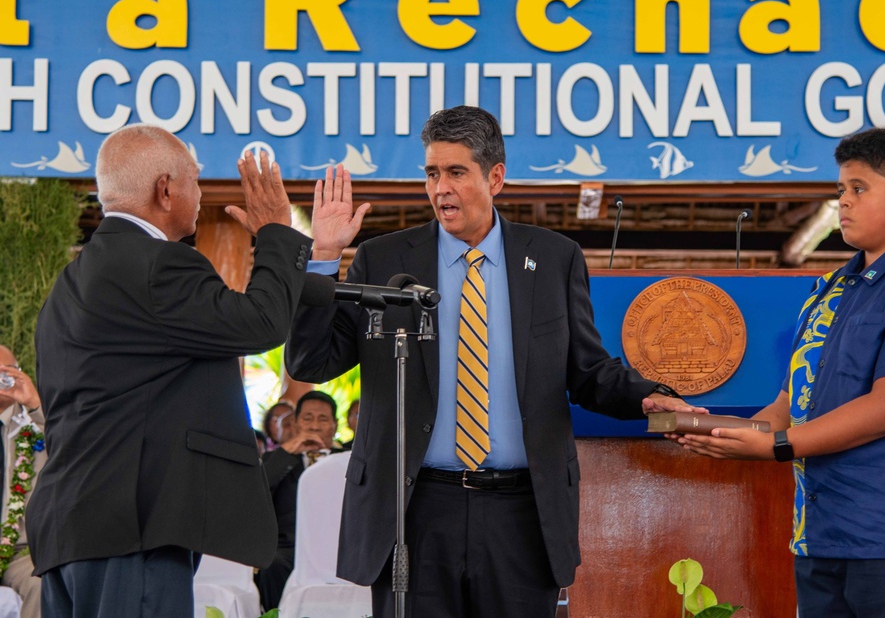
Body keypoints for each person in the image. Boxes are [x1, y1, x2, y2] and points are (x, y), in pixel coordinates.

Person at [285, 105, 702, 617]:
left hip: (522, 514)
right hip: (414, 511)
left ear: (495, 177)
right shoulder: (385, 259)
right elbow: (311, 360)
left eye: (456, 173)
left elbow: (588, 371)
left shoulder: (554, 258)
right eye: (432, 173)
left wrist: (646, 395)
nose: (441, 189)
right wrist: (324, 256)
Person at [677, 127, 885, 618]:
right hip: (823, 535)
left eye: (859, 189)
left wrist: (777, 446)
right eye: (841, 189)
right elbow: (788, 405)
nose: (843, 201)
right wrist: (708, 428)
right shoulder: (833, 288)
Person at [26, 124, 313, 617]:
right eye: (195, 181)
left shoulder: (71, 282)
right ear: (165, 189)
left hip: (69, 526)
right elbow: (261, 323)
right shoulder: (159, 264)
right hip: (130, 527)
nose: (200, 195)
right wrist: (275, 234)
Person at [256, 390, 343, 609]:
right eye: (307, 418)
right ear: (294, 423)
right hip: (290, 547)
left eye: (322, 419)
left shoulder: (349, 459)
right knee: (272, 564)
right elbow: (257, 491)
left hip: (341, 546)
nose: (314, 426)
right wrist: (287, 451)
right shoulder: (276, 460)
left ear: (335, 424)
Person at [0, 346, 45, 618]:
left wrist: (35, 404)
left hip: (20, 553)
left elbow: (73, 447)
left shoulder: (34, 428)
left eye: (5, 374)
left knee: (42, 583)